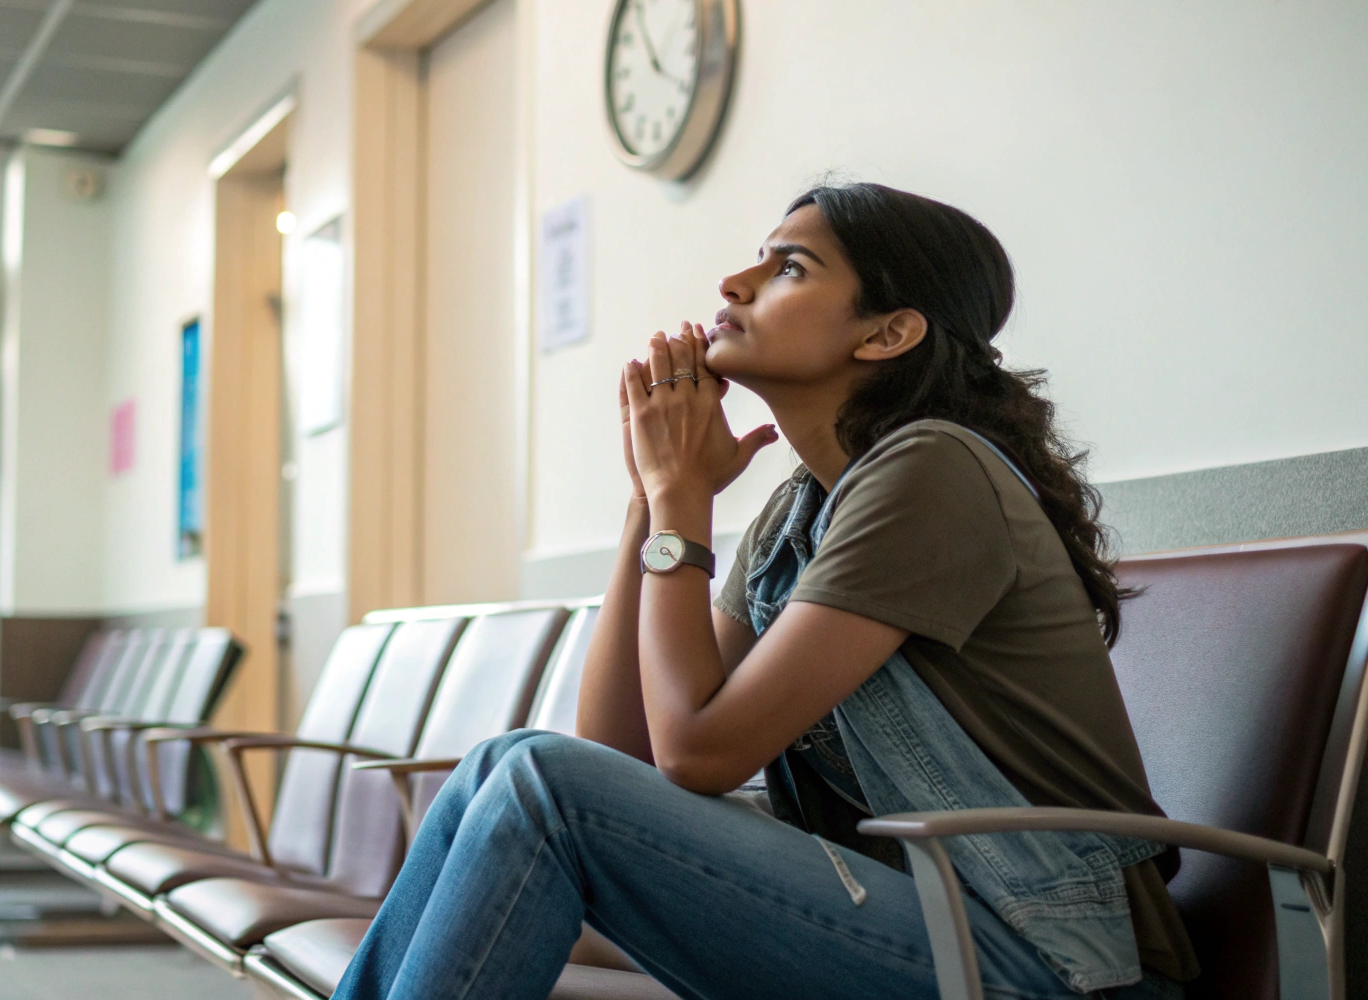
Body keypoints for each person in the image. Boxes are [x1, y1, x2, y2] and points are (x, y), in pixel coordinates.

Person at [332, 183, 1198, 999]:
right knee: (501, 765)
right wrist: (653, 499)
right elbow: (622, 753)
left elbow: (697, 755)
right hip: (920, 920)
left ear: (888, 334)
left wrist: (680, 502)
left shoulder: (933, 470)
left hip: (1053, 958)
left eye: (789, 268)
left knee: (538, 784)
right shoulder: (802, 511)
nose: (734, 282)